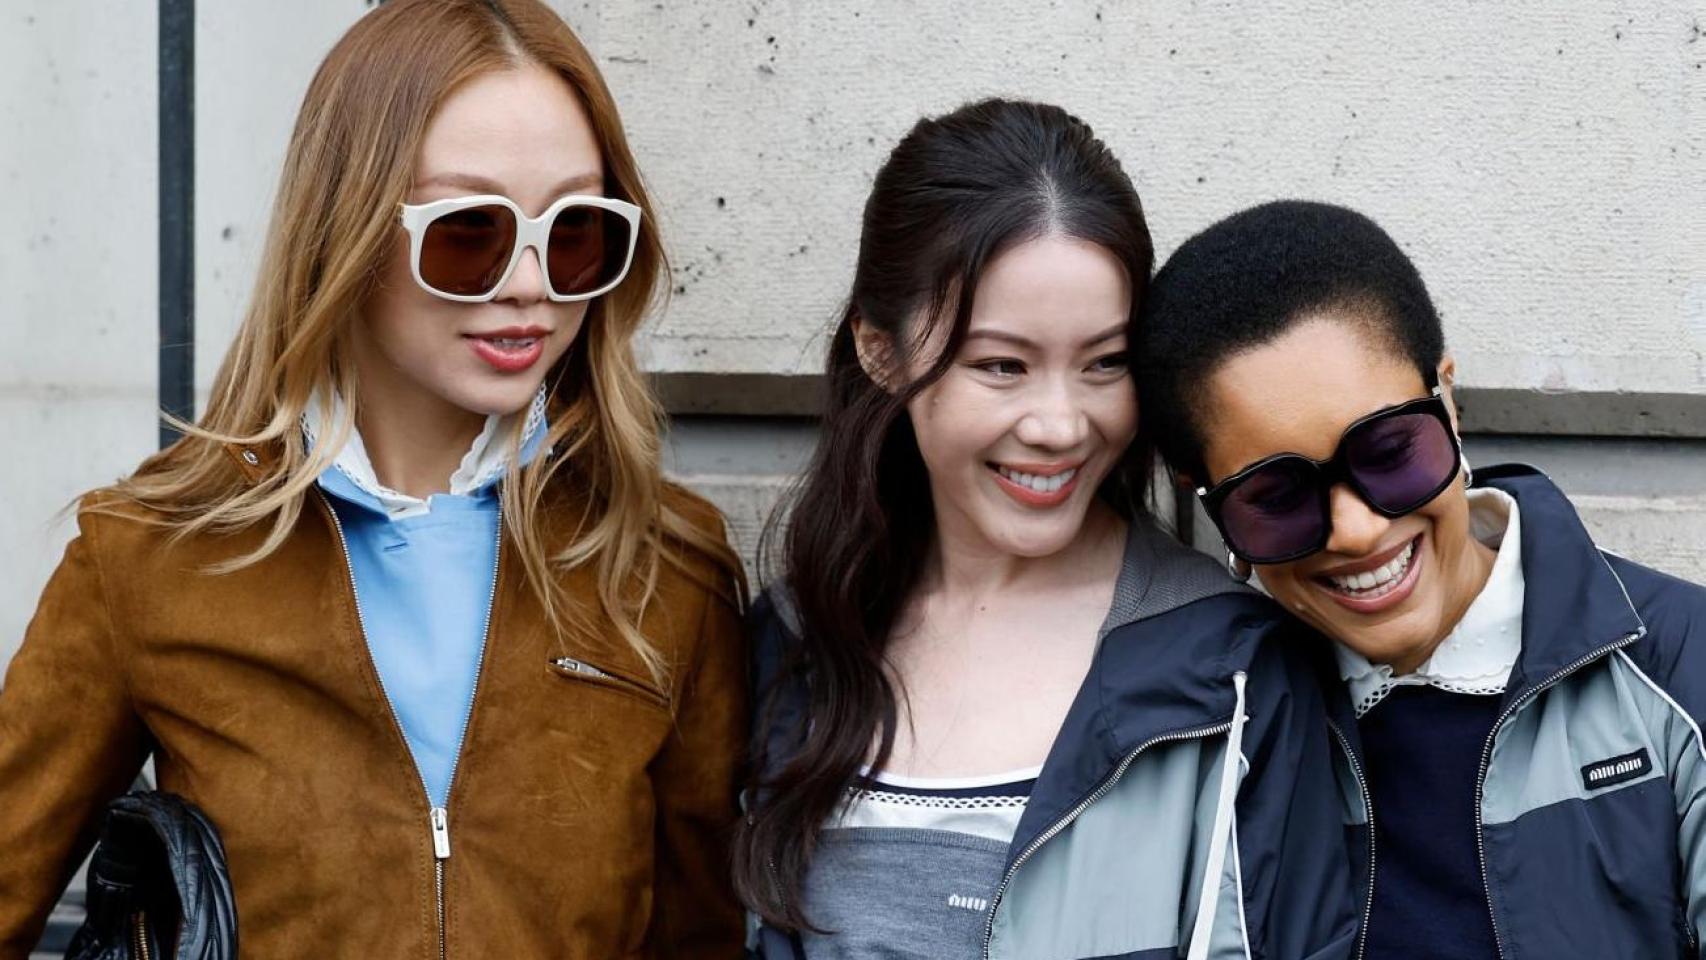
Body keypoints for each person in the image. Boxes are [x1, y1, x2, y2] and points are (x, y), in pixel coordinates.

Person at [0, 1, 747, 956]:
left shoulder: (665, 568)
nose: (530, 283)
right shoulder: (152, 556)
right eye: (470, 230)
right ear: (343, 227)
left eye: (574, 233)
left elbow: (702, 938)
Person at [734, 99, 1357, 960]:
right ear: (881, 351)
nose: (1061, 426)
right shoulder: (793, 640)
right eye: (1002, 365)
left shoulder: (1235, 674)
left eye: (1105, 363)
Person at [1137, 199, 1706, 958]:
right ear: (1205, 500)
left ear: (1449, 401)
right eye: (1278, 497)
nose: (1357, 530)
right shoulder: (1210, 727)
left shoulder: (1682, 669)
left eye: (1388, 452)